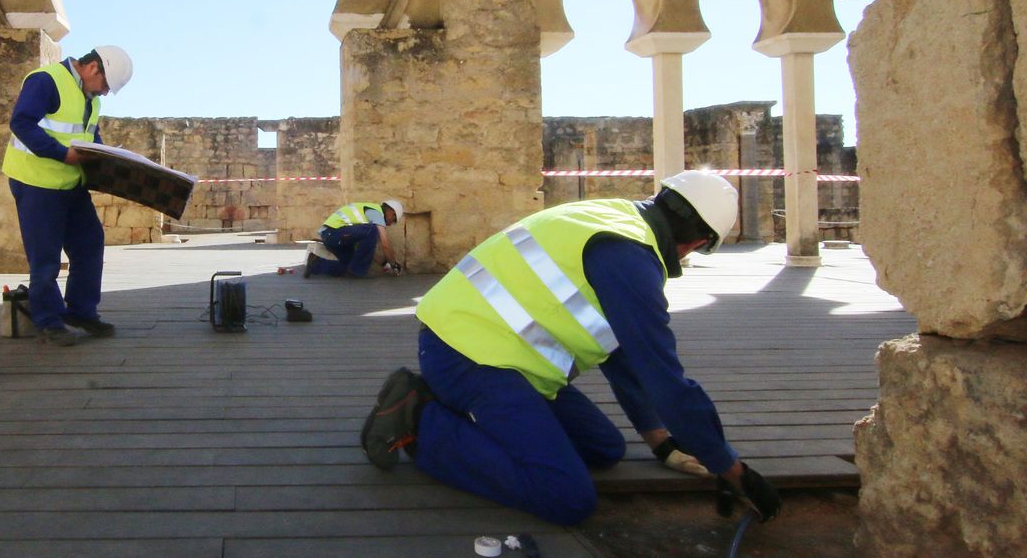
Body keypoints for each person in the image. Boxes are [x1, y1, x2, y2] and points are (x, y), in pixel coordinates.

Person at [358, 170, 781, 526]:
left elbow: (624, 354)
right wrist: (732, 470)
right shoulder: (630, 258)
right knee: (566, 496)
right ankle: (419, 422)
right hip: (467, 355)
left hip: (506, 357)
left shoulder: (614, 220)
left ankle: (464, 413)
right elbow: (665, 381)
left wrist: (661, 442)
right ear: (698, 240)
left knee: (605, 449)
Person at [2, 46, 133, 347]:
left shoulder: (90, 98)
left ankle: (81, 311)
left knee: (89, 243)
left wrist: (105, 157)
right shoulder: (46, 80)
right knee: (45, 258)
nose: (104, 94)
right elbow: (21, 123)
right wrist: (62, 154)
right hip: (36, 181)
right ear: (92, 69)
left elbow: (88, 136)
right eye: (104, 86)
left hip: (70, 184)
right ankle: (48, 321)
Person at [304, 199, 404, 278]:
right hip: (334, 233)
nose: (391, 224)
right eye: (393, 220)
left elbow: (366, 250)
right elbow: (385, 244)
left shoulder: (370, 217)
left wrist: (383, 263)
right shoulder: (376, 212)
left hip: (333, 237)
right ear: (391, 212)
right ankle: (357, 270)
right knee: (373, 230)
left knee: (349, 267)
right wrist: (394, 264)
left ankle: (315, 264)